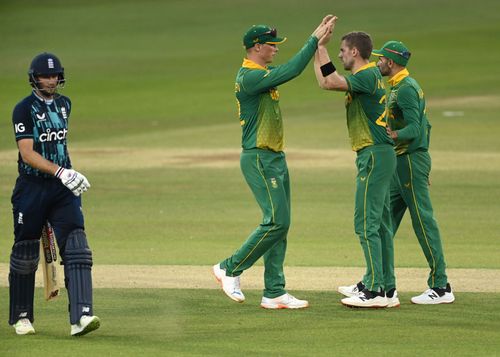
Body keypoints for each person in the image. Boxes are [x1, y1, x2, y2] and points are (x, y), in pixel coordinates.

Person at [213, 16, 335, 309]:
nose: (276, 49)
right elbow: (293, 69)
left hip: (274, 156)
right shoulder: (249, 77)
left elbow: (286, 68)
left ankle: (274, 291)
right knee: (277, 221)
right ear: (256, 47)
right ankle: (229, 267)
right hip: (258, 157)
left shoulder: (261, 72)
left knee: (281, 224)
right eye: (271, 45)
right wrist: (313, 40)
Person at [9, 52, 100, 335]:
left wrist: (67, 173)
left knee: (77, 247)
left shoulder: (65, 105)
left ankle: (81, 316)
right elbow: (27, 153)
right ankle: (22, 316)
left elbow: (59, 144)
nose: (50, 80)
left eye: (54, 76)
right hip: (32, 187)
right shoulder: (23, 109)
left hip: (63, 188)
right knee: (25, 251)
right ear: (34, 78)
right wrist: (60, 171)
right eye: (44, 76)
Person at [313, 20, 398, 308]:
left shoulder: (365, 75)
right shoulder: (371, 75)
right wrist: (318, 49)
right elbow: (325, 81)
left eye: (342, 50)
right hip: (381, 154)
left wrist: (319, 47)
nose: (340, 55)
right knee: (382, 224)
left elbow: (331, 81)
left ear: (355, 53)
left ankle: (374, 290)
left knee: (366, 223)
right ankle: (386, 286)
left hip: (373, 154)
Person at [372, 40, 455, 304]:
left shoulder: (406, 89)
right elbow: (426, 125)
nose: (378, 63)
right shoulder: (399, 86)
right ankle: (375, 280)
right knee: (385, 222)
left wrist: (393, 135)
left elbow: (417, 128)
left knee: (423, 221)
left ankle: (441, 286)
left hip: (409, 161)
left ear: (391, 63)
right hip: (403, 162)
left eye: (381, 59)